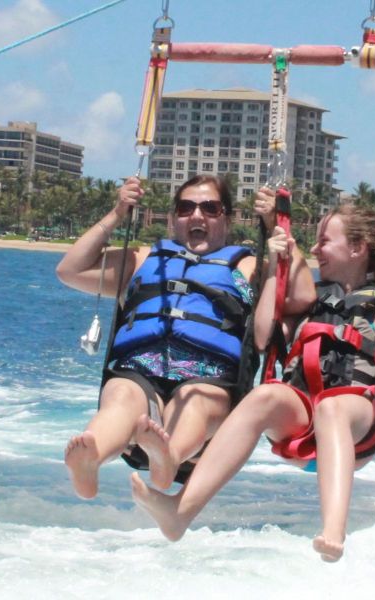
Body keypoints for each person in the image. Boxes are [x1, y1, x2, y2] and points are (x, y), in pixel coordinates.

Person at [131, 203, 375, 562]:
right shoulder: (314, 298)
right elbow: (263, 337)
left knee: (332, 407)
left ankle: (333, 531)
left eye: (325, 241)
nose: (315, 249)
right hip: (303, 420)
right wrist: (273, 273)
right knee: (265, 395)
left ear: (357, 248)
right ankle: (179, 513)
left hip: (358, 420)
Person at [58, 175, 314, 495]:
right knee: (121, 398)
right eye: (185, 207)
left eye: (210, 208)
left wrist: (277, 224)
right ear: (173, 218)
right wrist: (118, 212)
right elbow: (70, 271)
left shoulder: (249, 266)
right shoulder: (143, 259)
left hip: (208, 378)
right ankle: (90, 458)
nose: (197, 215)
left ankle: (169, 458)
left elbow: (303, 296)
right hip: (139, 368)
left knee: (193, 403)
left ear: (227, 217)